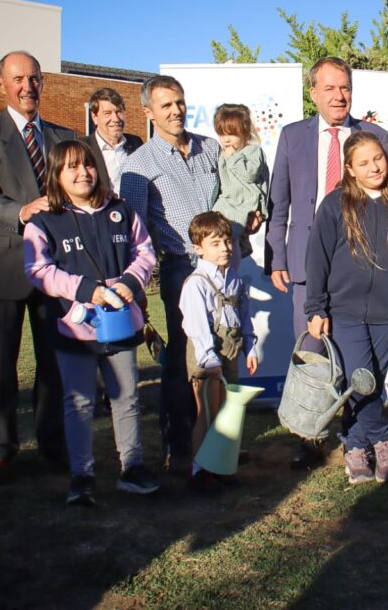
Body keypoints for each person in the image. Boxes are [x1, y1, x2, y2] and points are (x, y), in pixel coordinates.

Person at [265, 57, 388, 470]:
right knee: (313, 352)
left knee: (360, 359)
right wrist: (277, 256)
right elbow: (279, 201)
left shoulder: (374, 136)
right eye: (330, 88)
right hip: (307, 265)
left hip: (360, 268)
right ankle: (310, 437)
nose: (339, 96)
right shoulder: (293, 136)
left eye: (345, 88)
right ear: (313, 93)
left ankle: (358, 438)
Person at [23, 140, 160, 506]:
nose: (82, 173)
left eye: (87, 164)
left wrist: (130, 282)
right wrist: (87, 291)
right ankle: (81, 476)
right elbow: (38, 270)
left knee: (126, 397)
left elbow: (144, 252)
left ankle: (132, 468)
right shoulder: (43, 221)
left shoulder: (121, 210)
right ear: (56, 175)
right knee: (79, 402)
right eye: (71, 167)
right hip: (74, 329)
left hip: (121, 324)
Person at [0, 50, 73, 484]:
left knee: (56, 362)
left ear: (44, 82)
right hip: (2, 261)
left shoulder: (64, 137)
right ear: (2, 83)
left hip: (56, 268)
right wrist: (20, 211)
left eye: (34, 78)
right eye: (19, 79)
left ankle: (54, 443)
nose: (28, 87)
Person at [119, 75, 221, 477]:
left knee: (221, 353)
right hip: (181, 270)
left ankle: (217, 442)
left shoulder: (211, 148)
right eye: (166, 105)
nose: (176, 110)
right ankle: (178, 444)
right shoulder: (138, 165)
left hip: (222, 269)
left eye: (179, 102)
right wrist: (136, 286)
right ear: (148, 112)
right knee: (181, 357)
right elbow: (135, 230)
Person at [304, 131, 388, 485]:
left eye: (378, 158)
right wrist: (316, 307)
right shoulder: (334, 204)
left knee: (372, 381)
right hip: (344, 311)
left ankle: (354, 447)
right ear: (350, 169)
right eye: (364, 162)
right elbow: (318, 258)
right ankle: (383, 442)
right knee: (361, 381)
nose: (374, 167)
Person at [179, 212, 259, 492]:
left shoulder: (234, 278)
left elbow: (244, 316)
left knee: (226, 413)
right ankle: (199, 470)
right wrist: (209, 359)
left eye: (226, 241)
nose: (224, 248)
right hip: (207, 357)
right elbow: (196, 326)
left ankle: (221, 465)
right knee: (208, 413)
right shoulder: (196, 283)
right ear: (198, 248)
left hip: (230, 353)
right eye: (215, 243)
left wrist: (250, 347)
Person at [212, 104, 269, 260]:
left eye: (232, 134)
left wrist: (233, 157)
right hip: (228, 201)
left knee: (230, 235)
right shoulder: (223, 153)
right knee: (214, 230)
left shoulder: (253, 151)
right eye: (221, 134)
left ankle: (237, 252)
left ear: (245, 132)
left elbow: (250, 175)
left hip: (245, 202)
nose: (226, 139)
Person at [85, 87, 145, 195]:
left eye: (119, 112)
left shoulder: (135, 143)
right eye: (107, 113)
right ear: (94, 117)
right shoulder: (83, 147)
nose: (116, 119)